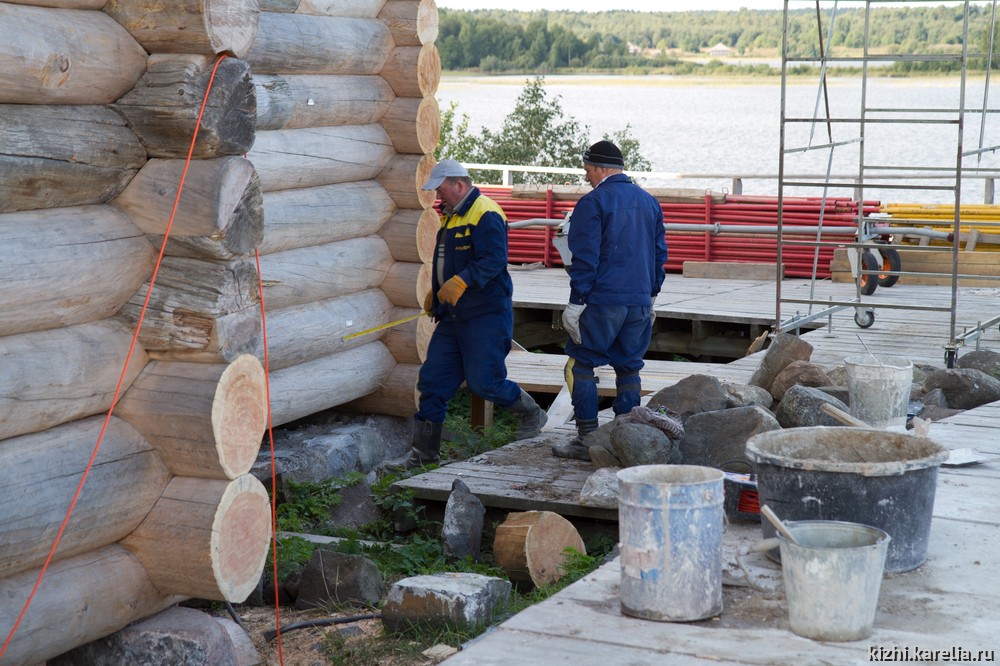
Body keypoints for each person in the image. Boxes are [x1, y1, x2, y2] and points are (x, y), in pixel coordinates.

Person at [394, 159, 547, 470]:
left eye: (441, 190)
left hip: (485, 315)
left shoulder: (486, 212)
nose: (439, 197)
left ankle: (531, 412)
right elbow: (447, 264)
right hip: (452, 318)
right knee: (433, 382)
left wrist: (461, 282)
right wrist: (436, 295)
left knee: (484, 382)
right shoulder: (452, 217)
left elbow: (494, 261)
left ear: (459, 185)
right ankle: (423, 455)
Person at [552, 140, 668, 461]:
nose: (587, 177)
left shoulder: (593, 203)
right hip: (640, 302)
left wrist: (576, 303)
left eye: (588, 170)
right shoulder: (650, 203)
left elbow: (584, 258)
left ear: (602, 168)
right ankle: (626, 439)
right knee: (629, 368)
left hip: (603, 300)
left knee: (581, 363)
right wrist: (653, 296)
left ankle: (587, 440)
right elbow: (660, 256)